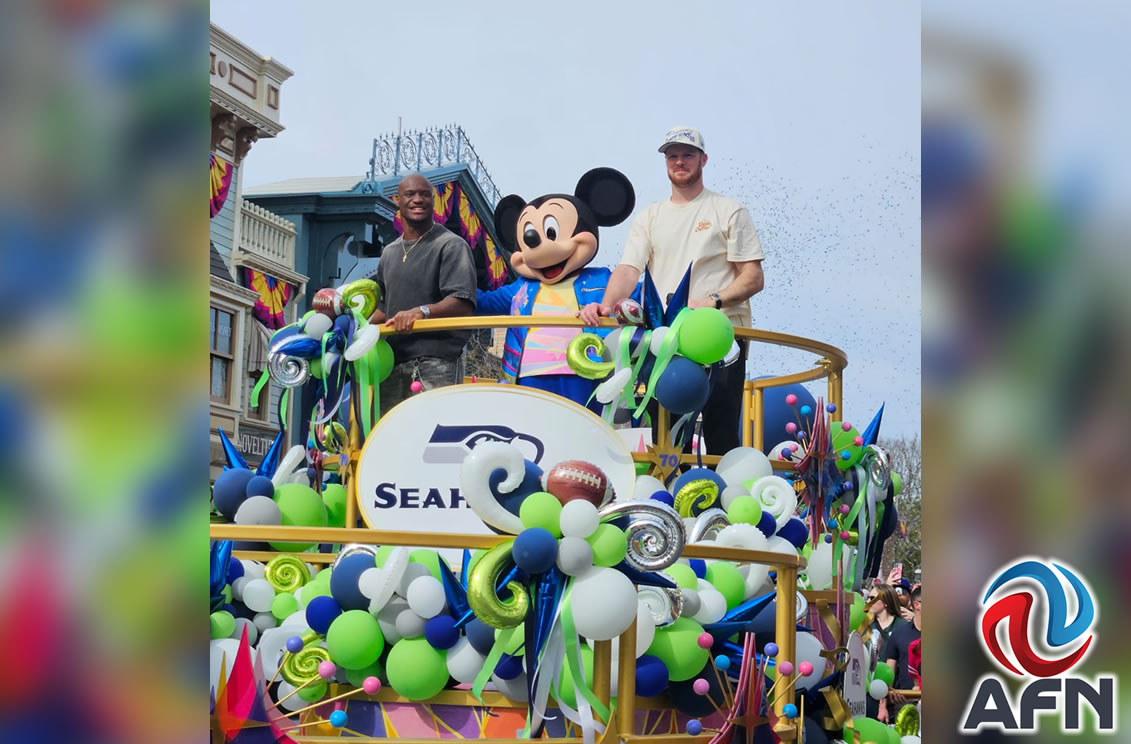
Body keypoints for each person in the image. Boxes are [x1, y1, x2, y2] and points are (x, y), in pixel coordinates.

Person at [579, 126, 765, 454]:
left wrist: (712, 302)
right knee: (665, 437)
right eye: (672, 156)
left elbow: (753, 277)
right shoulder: (650, 217)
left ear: (703, 159)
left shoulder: (728, 210)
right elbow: (629, 269)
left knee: (720, 433)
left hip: (718, 338)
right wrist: (606, 306)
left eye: (688, 155)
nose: (679, 161)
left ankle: (723, 489)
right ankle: (667, 489)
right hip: (664, 338)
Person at [368, 173, 478, 410]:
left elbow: (462, 302)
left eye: (424, 194)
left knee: (434, 429)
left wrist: (421, 312)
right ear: (398, 200)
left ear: (433, 201)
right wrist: (352, 324)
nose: (417, 199)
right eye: (409, 194)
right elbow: (385, 309)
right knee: (389, 430)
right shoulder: (389, 252)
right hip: (391, 364)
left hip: (436, 362)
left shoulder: (451, 244)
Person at [865, 584, 907, 719]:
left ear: (886, 602)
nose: (868, 601)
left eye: (872, 598)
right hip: (869, 693)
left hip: (896, 695)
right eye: (868, 597)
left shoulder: (903, 627)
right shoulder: (865, 626)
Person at [885, 585, 921, 710]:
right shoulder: (898, 634)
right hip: (904, 703)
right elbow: (889, 670)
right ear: (917, 605)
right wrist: (891, 692)